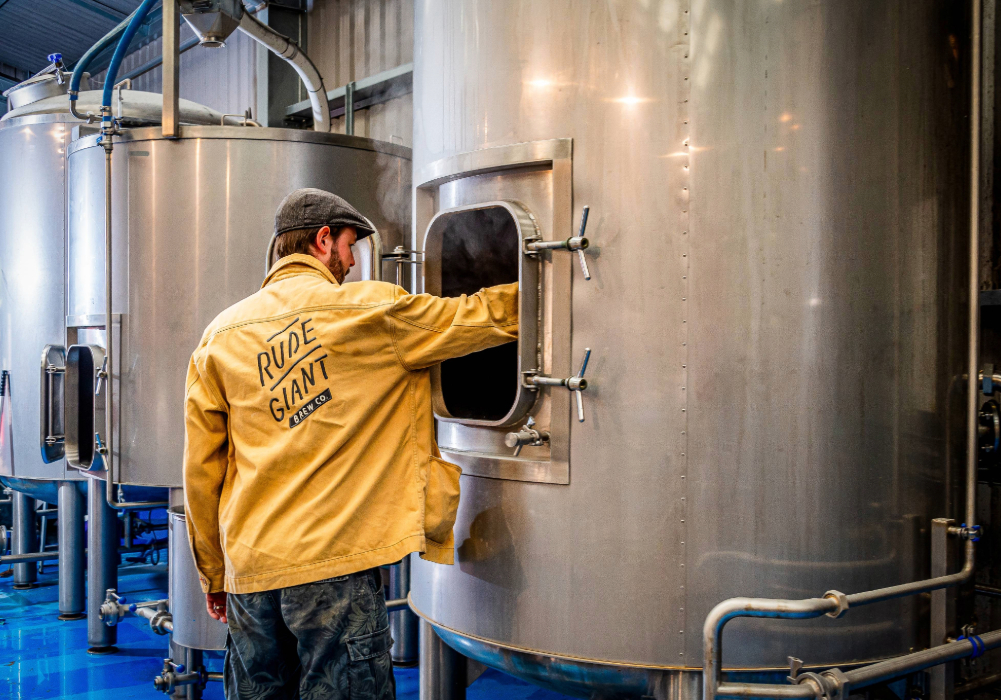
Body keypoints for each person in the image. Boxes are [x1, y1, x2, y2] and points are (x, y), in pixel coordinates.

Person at [182, 188, 518, 700]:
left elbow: (202, 473)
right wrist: (549, 286)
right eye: (351, 246)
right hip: (333, 572)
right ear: (324, 240)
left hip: (250, 573)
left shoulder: (220, 335)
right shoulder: (372, 312)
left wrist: (213, 573)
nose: (353, 262)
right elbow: (476, 316)